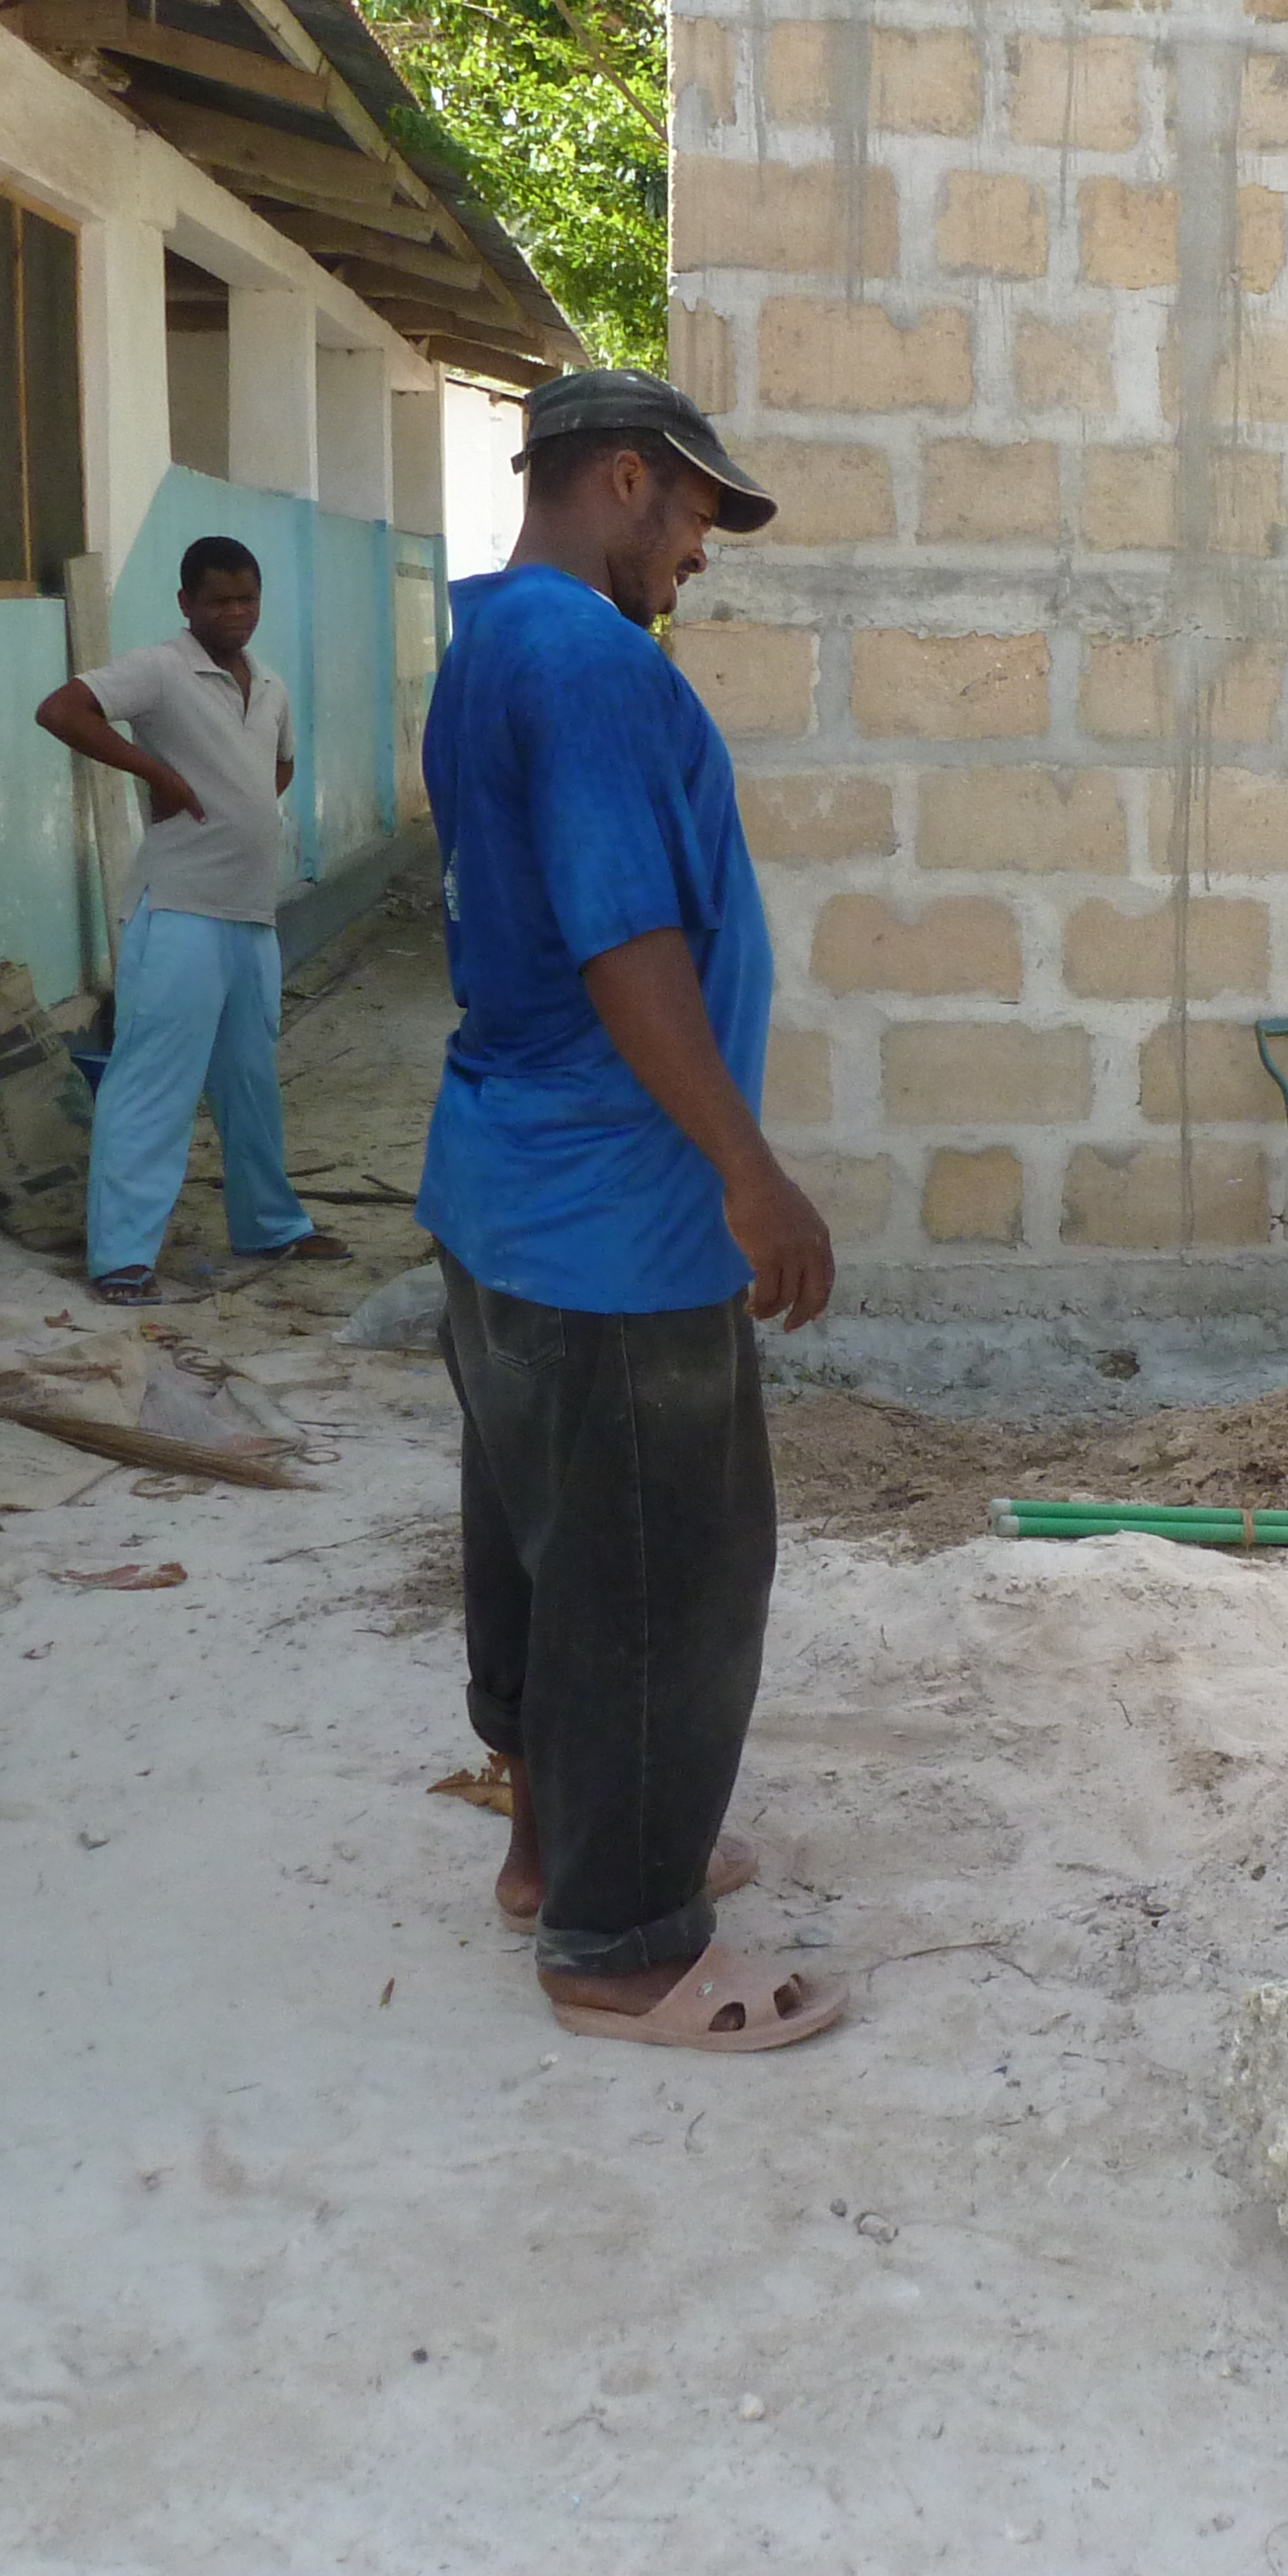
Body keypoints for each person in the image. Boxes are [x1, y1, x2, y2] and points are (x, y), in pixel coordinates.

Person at [416, 367, 843, 2055]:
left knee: (544, 1541)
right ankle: (624, 1940)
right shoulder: (589, 664)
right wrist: (750, 1171)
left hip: (508, 1188)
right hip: (614, 1212)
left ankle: (552, 1849)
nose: (705, 554)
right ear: (616, 480)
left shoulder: (492, 643)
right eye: (695, 514)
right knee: (669, 1569)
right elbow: (624, 944)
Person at [34, 536, 353, 1305]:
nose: (234, 613)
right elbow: (61, 710)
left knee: (249, 1083)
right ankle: (121, 1257)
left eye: (246, 598)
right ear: (187, 603)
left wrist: (245, 809)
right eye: (217, 600)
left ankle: (270, 1224)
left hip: (251, 917)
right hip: (177, 912)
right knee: (153, 1084)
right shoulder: (161, 668)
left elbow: (277, 764)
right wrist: (156, 773)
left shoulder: (269, 681)